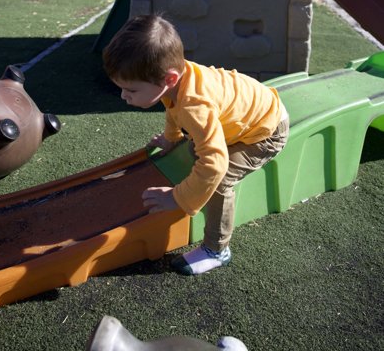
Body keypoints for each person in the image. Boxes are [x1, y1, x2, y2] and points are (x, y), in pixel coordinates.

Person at [102, 14, 289, 276]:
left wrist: (177, 197)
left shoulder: (194, 105)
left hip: (265, 133)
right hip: (248, 112)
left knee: (219, 180)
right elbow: (172, 107)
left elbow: (215, 165)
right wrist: (171, 138)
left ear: (169, 78)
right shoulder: (178, 80)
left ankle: (217, 249)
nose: (124, 96)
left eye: (131, 90)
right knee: (192, 149)